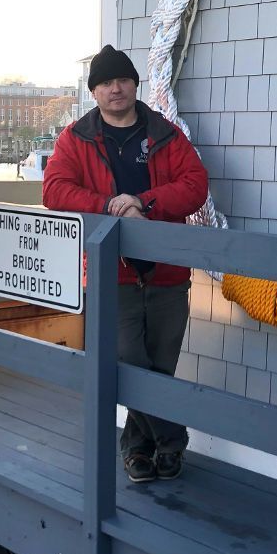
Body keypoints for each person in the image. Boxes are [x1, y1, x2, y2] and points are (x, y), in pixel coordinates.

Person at [42, 45, 209, 483]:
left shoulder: (166, 135)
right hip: (110, 272)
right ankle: (171, 440)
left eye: (123, 80)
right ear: (94, 91)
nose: (115, 88)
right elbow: (55, 190)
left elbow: (195, 186)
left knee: (160, 364)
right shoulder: (75, 138)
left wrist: (143, 202)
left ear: (135, 85)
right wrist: (110, 206)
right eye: (105, 82)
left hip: (167, 271)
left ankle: (137, 450)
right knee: (129, 361)